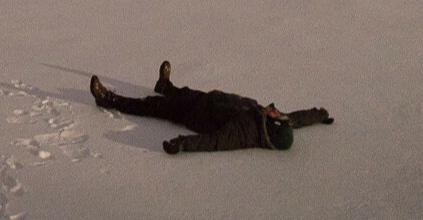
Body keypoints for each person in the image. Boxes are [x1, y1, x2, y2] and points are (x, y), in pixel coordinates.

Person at [90, 61, 334, 153]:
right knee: (183, 92)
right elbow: (299, 119)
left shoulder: (245, 133)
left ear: (273, 126)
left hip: (193, 114)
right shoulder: (275, 121)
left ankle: (108, 100)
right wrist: (320, 114)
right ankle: (165, 85)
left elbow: (214, 142)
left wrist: (183, 144)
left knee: (154, 106)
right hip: (208, 100)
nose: (276, 110)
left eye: (276, 115)